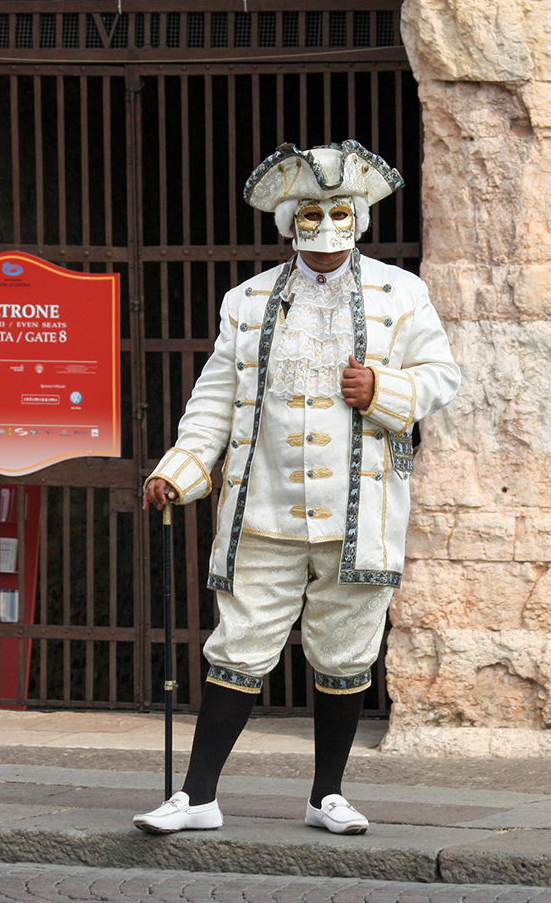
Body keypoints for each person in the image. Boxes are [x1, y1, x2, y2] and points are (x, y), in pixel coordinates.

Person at [133, 140, 460, 836]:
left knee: (345, 650)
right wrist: (179, 470)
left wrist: (384, 389)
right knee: (240, 644)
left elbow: (442, 376)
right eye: (309, 220)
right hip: (264, 507)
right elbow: (216, 399)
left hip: (360, 511)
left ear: (357, 220)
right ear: (289, 224)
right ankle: (196, 797)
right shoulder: (246, 303)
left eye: (337, 217)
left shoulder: (404, 294)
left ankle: (327, 796)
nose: (324, 237)